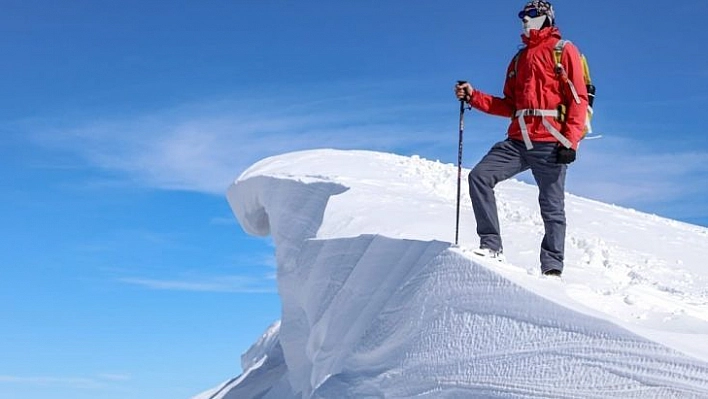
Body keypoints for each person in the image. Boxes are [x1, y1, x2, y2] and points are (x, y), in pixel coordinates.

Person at [454, 0, 588, 277]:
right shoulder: (518, 59)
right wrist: (473, 96)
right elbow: (509, 105)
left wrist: (570, 141)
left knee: (551, 206)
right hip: (517, 140)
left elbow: (578, 98)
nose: (525, 19)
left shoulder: (564, 51)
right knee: (479, 176)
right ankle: (491, 245)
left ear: (546, 18)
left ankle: (552, 268)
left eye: (532, 14)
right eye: (522, 15)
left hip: (551, 141)